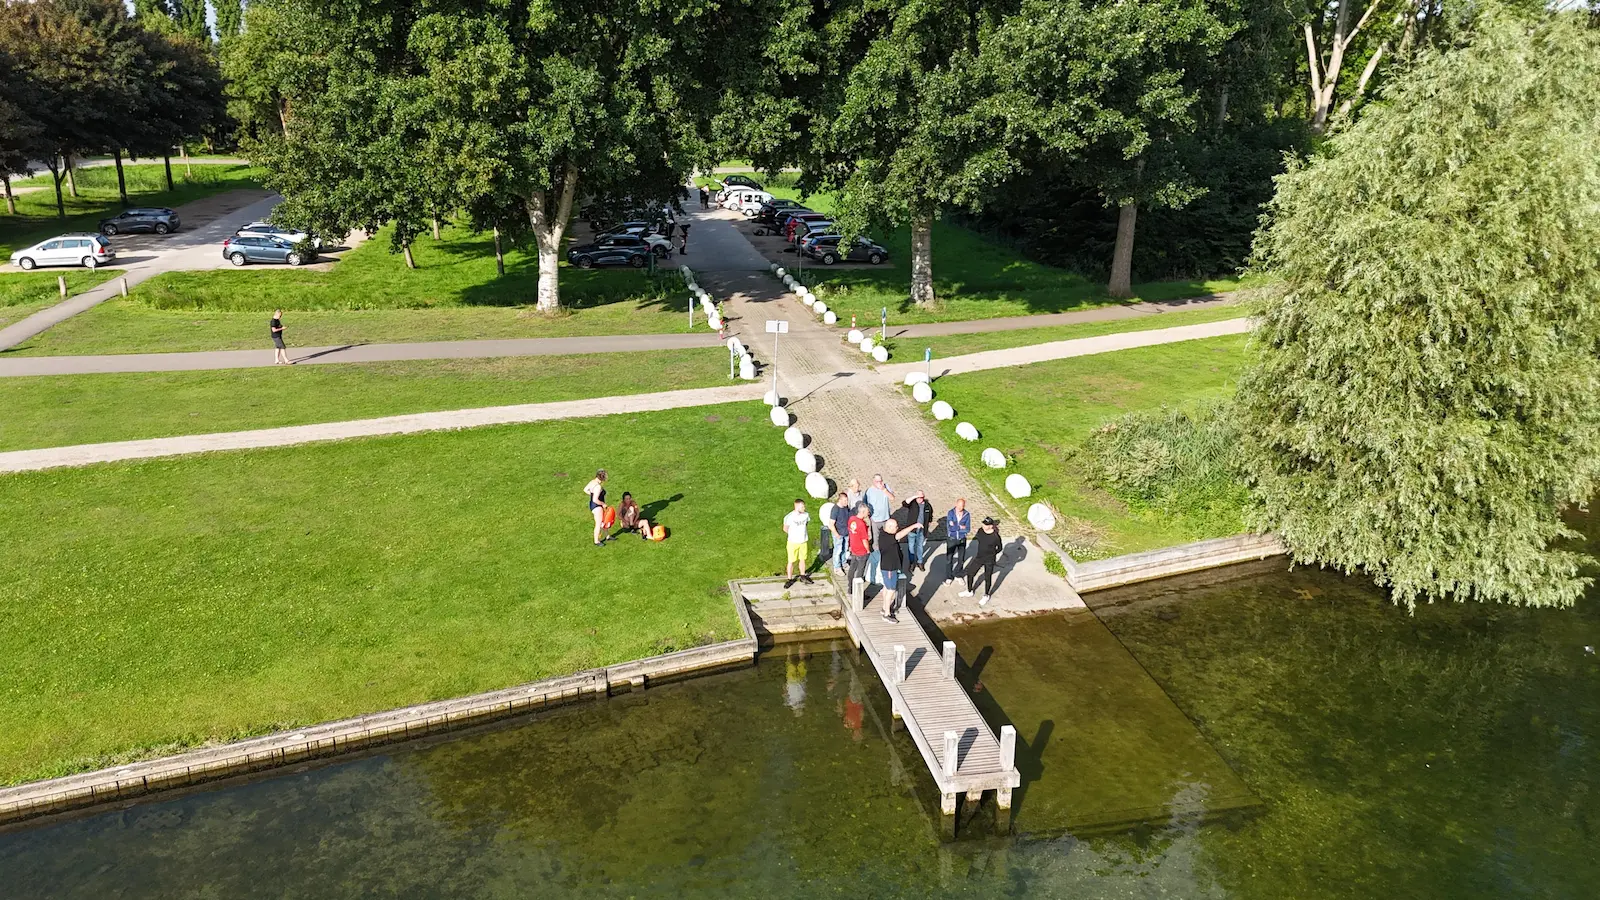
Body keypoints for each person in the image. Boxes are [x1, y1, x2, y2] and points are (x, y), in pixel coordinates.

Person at [960, 517, 1004, 606]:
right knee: (970, 573)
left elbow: (1000, 548)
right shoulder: (980, 531)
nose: (983, 526)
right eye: (983, 524)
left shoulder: (995, 537)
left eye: (986, 525)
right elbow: (979, 538)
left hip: (989, 560)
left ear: (991, 526)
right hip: (979, 557)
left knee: (987, 577)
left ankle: (986, 595)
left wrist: (993, 553)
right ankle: (969, 591)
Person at [877, 519, 912, 622]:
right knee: (891, 590)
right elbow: (900, 535)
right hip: (889, 568)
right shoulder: (887, 538)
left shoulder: (883, 534)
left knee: (886, 587)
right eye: (896, 527)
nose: (897, 528)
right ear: (889, 527)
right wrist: (913, 526)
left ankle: (885, 608)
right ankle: (887, 614)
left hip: (887, 567)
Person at [782, 498, 813, 587]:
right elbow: (785, 528)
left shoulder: (806, 515)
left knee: (802, 559)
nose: (804, 508)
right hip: (793, 542)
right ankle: (789, 579)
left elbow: (806, 524)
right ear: (797, 507)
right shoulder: (789, 517)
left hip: (803, 541)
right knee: (791, 561)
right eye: (802, 507)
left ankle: (802, 576)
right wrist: (793, 534)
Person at [845, 502, 873, 599]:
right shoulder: (861, 524)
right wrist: (868, 550)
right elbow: (864, 539)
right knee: (860, 572)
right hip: (861, 551)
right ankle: (858, 592)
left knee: (852, 568)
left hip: (854, 548)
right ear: (863, 512)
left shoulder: (852, 519)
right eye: (867, 512)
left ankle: (850, 589)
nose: (868, 513)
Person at [904, 490, 934, 572]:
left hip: (922, 530)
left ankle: (920, 562)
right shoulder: (912, 503)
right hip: (912, 530)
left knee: (920, 546)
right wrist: (914, 497)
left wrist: (927, 527)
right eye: (918, 497)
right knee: (911, 547)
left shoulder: (927, 506)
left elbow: (930, 517)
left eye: (921, 497)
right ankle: (912, 563)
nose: (920, 499)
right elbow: (904, 503)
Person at [945, 498, 971, 584]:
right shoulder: (950, 513)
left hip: (962, 539)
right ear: (956, 504)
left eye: (962, 506)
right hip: (952, 539)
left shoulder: (967, 514)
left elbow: (967, 529)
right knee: (949, 559)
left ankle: (958, 575)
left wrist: (956, 526)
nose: (960, 507)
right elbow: (950, 528)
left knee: (961, 559)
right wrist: (961, 527)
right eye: (959, 505)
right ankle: (949, 577)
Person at [583, 470, 609, 547]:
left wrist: (592, 494)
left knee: (603, 521)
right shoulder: (598, 487)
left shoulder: (592, 482)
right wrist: (603, 504)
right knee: (598, 523)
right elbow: (595, 500)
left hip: (593, 505)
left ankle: (607, 536)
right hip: (597, 506)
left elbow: (585, 490)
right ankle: (596, 541)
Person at [829, 492, 852, 573]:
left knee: (844, 549)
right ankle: (837, 567)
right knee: (838, 550)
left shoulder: (846, 508)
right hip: (838, 533)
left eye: (847, 500)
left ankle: (843, 563)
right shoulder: (835, 509)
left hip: (846, 533)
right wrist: (836, 534)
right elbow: (831, 524)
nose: (846, 502)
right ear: (840, 500)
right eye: (845, 500)